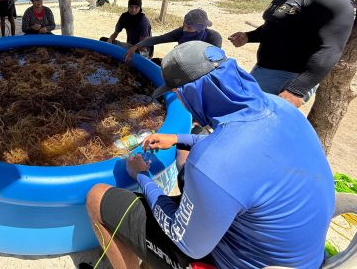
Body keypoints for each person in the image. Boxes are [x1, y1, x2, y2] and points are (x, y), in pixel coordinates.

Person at [86, 41, 334, 269]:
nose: (181, 103)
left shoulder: (211, 164)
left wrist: (141, 176)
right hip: (298, 258)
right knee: (183, 157)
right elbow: (248, 150)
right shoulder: (280, 107)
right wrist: (179, 139)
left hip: (232, 260)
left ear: (193, 92)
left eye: (179, 95)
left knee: (97, 197)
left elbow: (184, 240)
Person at [229, 0, 355, 107]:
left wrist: (297, 90)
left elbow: (330, 49)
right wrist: (249, 36)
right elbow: (276, 26)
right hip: (264, 70)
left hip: (287, 79)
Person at [124, 8, 222, 63]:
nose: (185, 29)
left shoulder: (213, 38)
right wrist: (137, 45)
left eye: (189, 28)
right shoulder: (181, 32)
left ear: (201, 28)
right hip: (179, 61)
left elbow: (212, 63)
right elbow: (159, 39)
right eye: (184, 26)